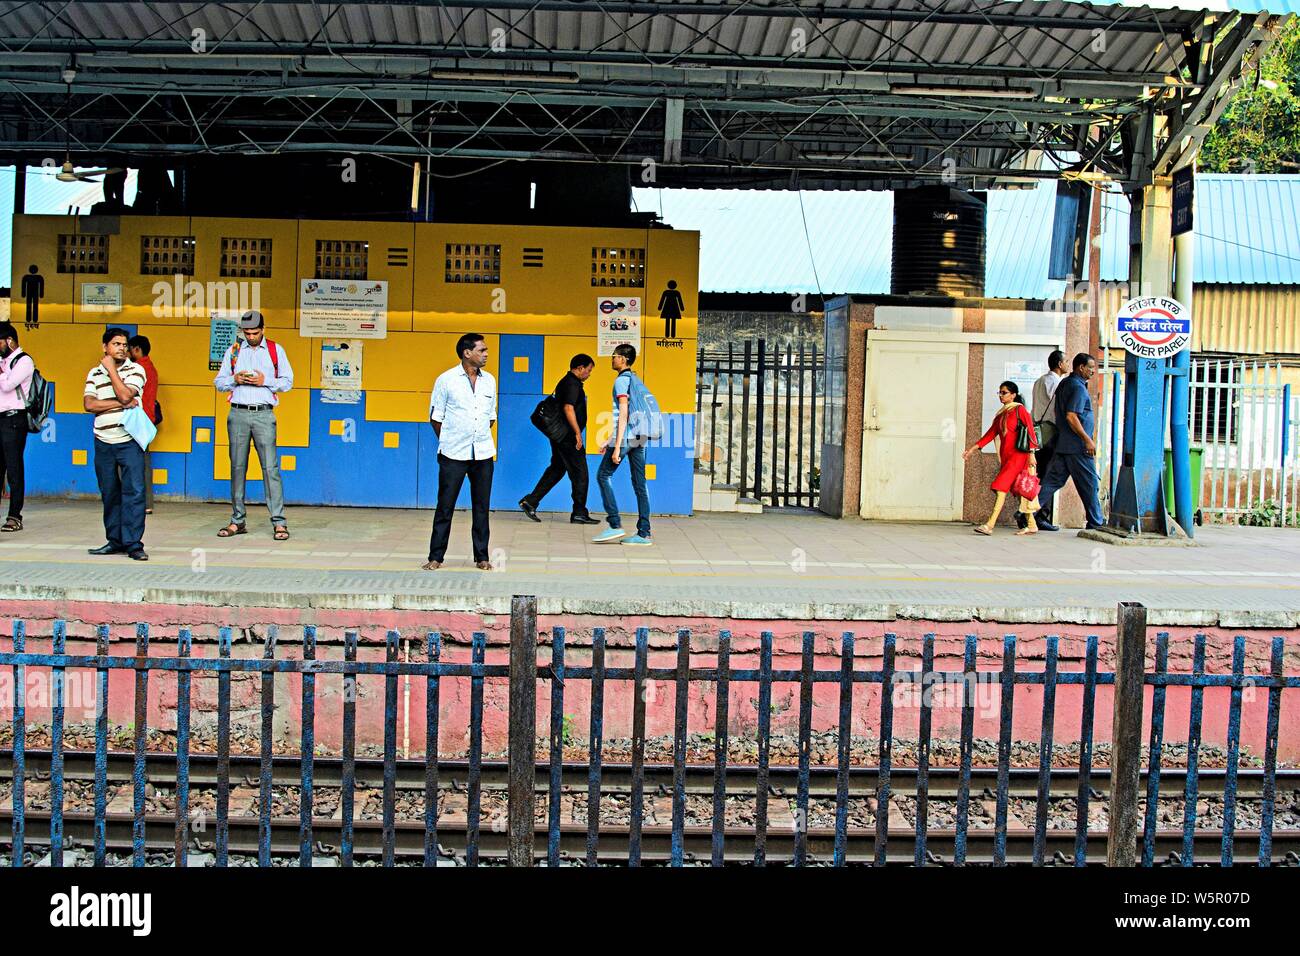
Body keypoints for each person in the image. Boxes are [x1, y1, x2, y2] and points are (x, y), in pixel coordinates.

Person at [214, 310, 294, 540]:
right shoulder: (234, 351)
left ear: (263, 330)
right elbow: (218, 382)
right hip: (238, 413)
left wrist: (264, 381)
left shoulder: (275, 350)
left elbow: (288, 382)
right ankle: (237, 520)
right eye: (247, 333)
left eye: (255, 333)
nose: (251, 337)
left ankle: (279, 522)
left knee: (271, 469)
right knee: (237, 468)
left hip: (263, 415)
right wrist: (234, 380)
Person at [424, 333, 497, 571]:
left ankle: (482, 557)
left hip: (483, 453)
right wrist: (450, 440)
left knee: (481, 507)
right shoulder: (445, 380)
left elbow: (490, 418)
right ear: (467, 353)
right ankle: (436, 556)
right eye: (482, 350)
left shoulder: (490, 381)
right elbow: (436, 418)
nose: (486, 354)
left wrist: (477, 437)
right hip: (453, 454)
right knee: (445, 506)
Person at [84, 327, 148, 560]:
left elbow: (125, 394)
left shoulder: (136, 370)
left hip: (129, 440)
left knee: (134, 492)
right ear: (105, 347)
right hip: (103, 440)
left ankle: (133, 544)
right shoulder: (93, 373)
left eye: (124, 344)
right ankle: (115, 540)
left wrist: (111, 370)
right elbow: (89, 405)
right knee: (109, 493)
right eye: (116, 344)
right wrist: (122, 404)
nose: (121, 348)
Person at [519, 354, 600, 525]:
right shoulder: (572, 383)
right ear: (580, 368)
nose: (589, 374)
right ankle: (579, 512)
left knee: (557, 468)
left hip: (560, 436)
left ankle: (531, 501)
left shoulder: (568, 382)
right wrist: (578, 433)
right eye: (589, 370)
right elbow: (568, 408)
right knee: (580, 473)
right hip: (567, 436)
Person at [1035, 353, 1106, 531]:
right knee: (1089, 483)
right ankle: (1096, 522)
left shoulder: (1065, 383)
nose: (1093, 371)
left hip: (1063, 444)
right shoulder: (1078, 388)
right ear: (1080, 367)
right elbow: (1071, 416)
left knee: (1051, 482)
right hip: (1077, 447)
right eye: (1090, 367)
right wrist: (1087, 440)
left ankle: (1027, 512)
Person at [592, 343, 652, 545]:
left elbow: (623, 414)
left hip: (626, 437)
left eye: (615, 356)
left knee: (603, 475)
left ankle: (614, 524)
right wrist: (610, 440)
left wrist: (616, 446)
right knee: (640, 484)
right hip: (639, 436)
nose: (612, 359)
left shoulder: (620, 382)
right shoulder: (635, 379)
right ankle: (644, 533)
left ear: (624, 359)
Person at [963, 380, 1039, 535]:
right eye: (1000, 392)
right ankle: (1031, 524)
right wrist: (972, 449)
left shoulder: (1020, 410)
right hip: (1007, 458)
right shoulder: (1001, 414)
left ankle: (989, 525)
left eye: (1004, 393)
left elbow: (1031, 432)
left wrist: (1031, 454)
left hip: (1019, 457)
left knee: (1001, 487)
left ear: (1013, 395)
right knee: (1020, 490)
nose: (1001, 396)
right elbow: (990, 434)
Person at [1017, 349, 1067, 529]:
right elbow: (1056, 408)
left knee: (1036, 476)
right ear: (1060, 364)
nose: (1067, 364)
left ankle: (1028, 513)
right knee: (1047, 476)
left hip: (1037, 431)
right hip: (1050, 432)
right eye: (1066, 361)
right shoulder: (1056, 383)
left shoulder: (1039, 381)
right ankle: (1036, 516)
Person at [0, 322, 33, 532]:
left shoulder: (24, 361)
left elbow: (7, 385)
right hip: (0, 418)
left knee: (14, 468)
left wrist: (1, 371)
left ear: (10, 341)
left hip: (14, 420)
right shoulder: (4, 362)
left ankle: (14, 516)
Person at [128, 335, 160, 515]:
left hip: (137, 419)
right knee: (144, 461)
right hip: (147, 419)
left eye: (130, 349)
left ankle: (142, 501)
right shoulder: (151, 368)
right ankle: (146, 502)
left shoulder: (138, 369)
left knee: (135, 461)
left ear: (137, 349)